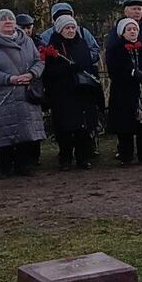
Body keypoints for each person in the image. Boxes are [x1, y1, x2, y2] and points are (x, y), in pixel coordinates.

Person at [0, 9, 46, 178]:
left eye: (10, 18)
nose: (8, 21)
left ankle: (23, 165)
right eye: (3, 20)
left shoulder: (27, 41)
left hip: (26, 90)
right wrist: (9, 79)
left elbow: (38, 61)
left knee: (26, 130)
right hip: (4, 93)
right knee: (5, 131)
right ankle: (4, 167)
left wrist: (31, 74)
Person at [41, 14, 103, 170]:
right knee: (65, 128)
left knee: (83, 127)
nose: (70, 31)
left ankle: (83, 157)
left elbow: (88, 64)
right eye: (67, 28)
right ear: (60, 30)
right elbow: (49, 72)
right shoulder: (54, 47)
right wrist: (67, 69)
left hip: (82, 91)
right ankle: (65, 158)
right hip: (63, 93)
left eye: (73, 27)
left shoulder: (81, 44)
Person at [106, 17, 142, 166]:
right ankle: (126, 156)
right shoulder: (115, 49)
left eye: (135, 29)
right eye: (129, 29)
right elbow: (113, 71)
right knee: (125, 126)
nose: (132, 32)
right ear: (122, 32)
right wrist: (131, 73)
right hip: (123, 92)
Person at [105, 0, 142, 67]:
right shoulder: (118, 30)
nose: (137, 12)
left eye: (139, 9)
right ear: (125, 12)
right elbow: (111, 54)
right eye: (134, 9)